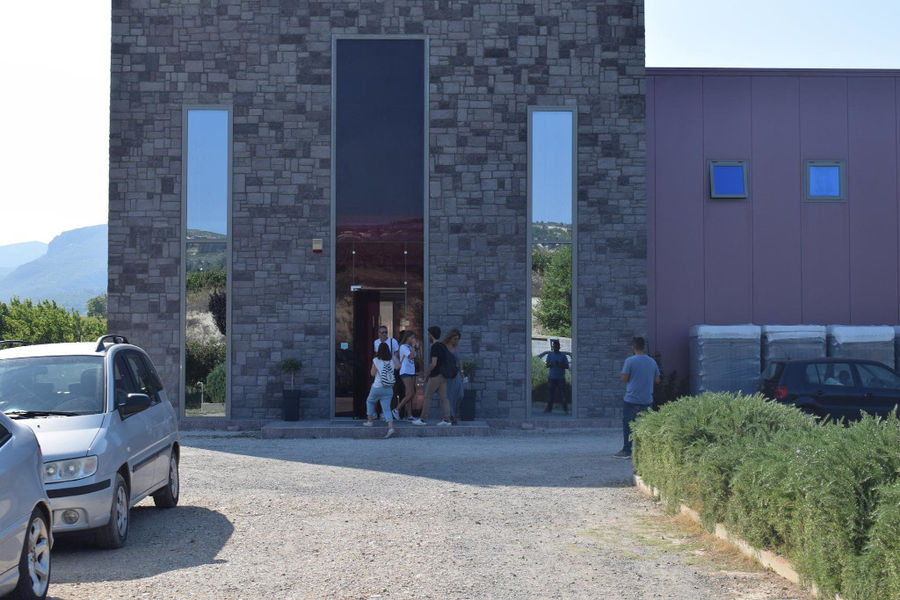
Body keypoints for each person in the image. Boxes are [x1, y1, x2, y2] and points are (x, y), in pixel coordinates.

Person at [614, 336, 660, 459]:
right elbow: (657, 380)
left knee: (628, 425)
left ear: (633, 347)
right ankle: (645, 451)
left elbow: (624, 379)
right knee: (645, 425)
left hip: (631, 399)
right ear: (643, 347)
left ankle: (627, 450)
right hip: (647, 399)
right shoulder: (652, 362)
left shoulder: (630, 361)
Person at [411, 326, 453, 426]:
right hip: (443, 375)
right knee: (444, 398)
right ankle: (447, 420)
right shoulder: (443, 346)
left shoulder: (435, 346)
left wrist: (426, 373)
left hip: (435, 375)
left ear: (432, 335)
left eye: (429, 334)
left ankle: (422, 419)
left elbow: (433, 363)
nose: (428, 336)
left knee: (427, 397)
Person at [363, 342, 400, 438]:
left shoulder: (376, 360)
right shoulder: (391, 360)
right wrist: (393, 357)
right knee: (387, 409)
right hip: (388, 388)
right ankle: (390, 428)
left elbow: (372, 373)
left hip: (377, 387)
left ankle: (370, 421)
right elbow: (398, 366)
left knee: (370, 401)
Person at [394, 330, 420, 420]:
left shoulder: (409, 347)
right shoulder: (403, 347)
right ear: (407, 338)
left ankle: (409, 415)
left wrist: (416, 347)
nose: (413, 339)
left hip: (411, 372)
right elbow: (411, 356)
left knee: (410, 394)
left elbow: (416, 357)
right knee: (410, 393)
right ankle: (397, 409)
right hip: (405, 372)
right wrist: (413, 346)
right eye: (412, 337)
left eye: (414, 338)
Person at [443, 329, 464, 424]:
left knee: (460, 394)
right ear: (450, 338)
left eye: (457, 339)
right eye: (455, 339)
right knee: (449, 396)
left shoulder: (457, 348)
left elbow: (459, 361)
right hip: (447, 375)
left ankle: (453, 413)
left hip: (456, 374)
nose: (456, 341)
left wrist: (462, 371)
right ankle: (451, 416)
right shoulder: (444, 347)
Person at [543, 339, 569, 413]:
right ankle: (549, 409)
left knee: (563, 394)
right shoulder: (550, 355)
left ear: (559, 347)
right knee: (550, 394)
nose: (555, 347)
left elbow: (567, 366)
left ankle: (565, 409)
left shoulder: (563, 355)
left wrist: (560, 365)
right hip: (551, 378)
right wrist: (550, 364)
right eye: (554, 346)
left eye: (557, 346)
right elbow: (547, 365)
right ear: (553, 347)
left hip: (561, 378)